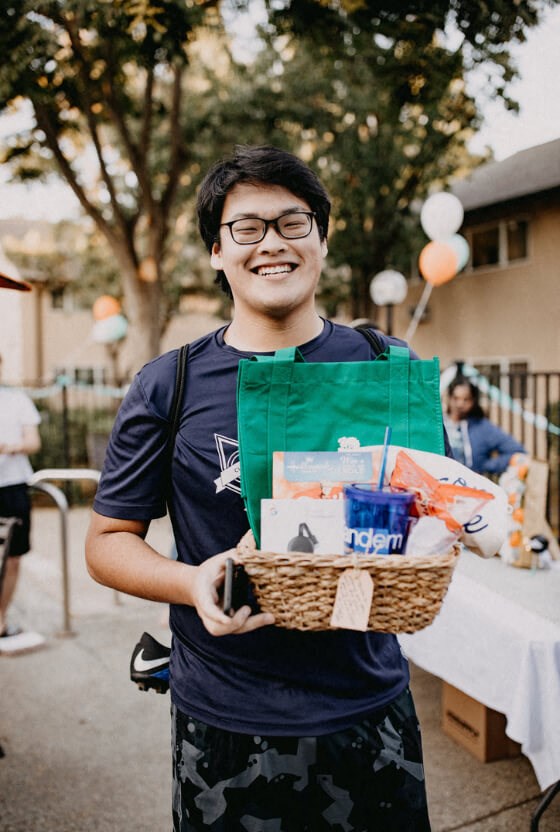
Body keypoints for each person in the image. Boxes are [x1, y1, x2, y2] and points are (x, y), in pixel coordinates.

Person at [86, 145, 435, 831]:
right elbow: (106, 543)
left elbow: (433, 514)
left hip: (369, 710)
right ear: (217, 252)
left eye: (292, 222)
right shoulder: (170, 382)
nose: (271, 243)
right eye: (246, 228)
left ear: (321, 239)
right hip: (224, 718)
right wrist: (189, 583)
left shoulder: (386, 366)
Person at [0, 353, 42, 651]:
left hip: (13, 487)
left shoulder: (17, 400)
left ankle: (1, 621)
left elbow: (33, 442)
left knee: (13, 558)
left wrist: (9, 446)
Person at [445, 376, 526, 475]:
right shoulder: (440, 424)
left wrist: (486, 465)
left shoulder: (482, 427)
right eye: (456, 398)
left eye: (466, 399)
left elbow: (516, 451)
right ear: (449, 398)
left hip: (470, 485)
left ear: (473, 401)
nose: (460, 404)